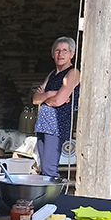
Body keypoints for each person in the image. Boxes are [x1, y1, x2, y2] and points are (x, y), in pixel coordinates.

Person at [32, 36, 81, 177]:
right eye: (57, 51)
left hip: (56, 125)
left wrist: (46, 98)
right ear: (53, 54)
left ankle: (58, 198)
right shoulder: (52, 74)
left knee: (50, 169)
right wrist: (49, 94)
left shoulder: (73, 73)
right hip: (42, 124)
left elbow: (58, 101)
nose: (61, 54)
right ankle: (48, 198)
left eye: (65, 50)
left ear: (72, 54)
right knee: (44, 168)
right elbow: (35, 99)